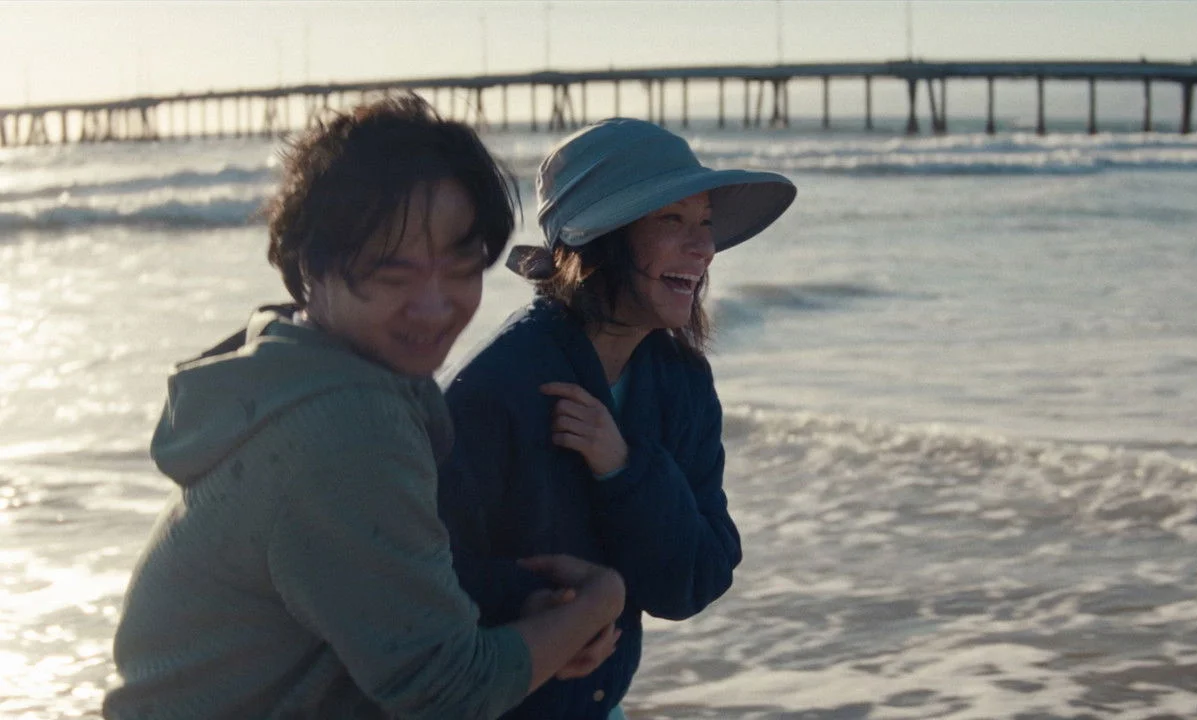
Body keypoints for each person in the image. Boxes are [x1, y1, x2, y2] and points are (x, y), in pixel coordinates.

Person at [104, 96, 625, 720]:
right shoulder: (347, 428)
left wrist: (522, 612)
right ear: (309, 267)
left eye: (460, 266)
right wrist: (599, 601)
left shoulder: (287, 362)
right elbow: (448, 694)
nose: (433, 306)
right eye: (391, 273)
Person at [438, 118, 797, 719]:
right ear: (600, 242)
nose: (704, 248)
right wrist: (540, 611)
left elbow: (694, 581)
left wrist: (625, 469)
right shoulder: (496, 388)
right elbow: (414, 582)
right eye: (672, 220)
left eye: (705, 222)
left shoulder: (680, 382)